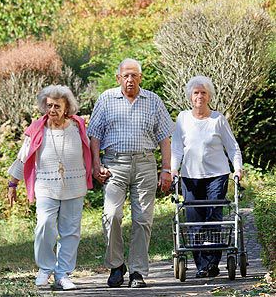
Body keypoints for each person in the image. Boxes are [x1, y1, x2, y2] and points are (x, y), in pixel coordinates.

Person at [87, 58, 174, 288]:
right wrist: (96, 164)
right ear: (118, 78)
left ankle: (137, 271)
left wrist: (166, 169)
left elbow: (165, 138)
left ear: (140, 78)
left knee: (142, 219)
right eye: (125, 75)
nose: (129, 79)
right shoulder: (106, 99)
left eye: (134, 75)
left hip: (145, 163)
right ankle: (116, 266)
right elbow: (94, 134)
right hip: (114, 164)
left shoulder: (153, 100)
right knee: (112, 215)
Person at [6, 85, 93, 290]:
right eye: (49, 105)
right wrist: (13, 183)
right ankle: (45, 268)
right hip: (46, 185)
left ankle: (62, 274)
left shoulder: (78, 126)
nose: (52, 110)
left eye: (57, 106)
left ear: (67, 107)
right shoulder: (37, 128)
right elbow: (23, 156)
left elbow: (90, 150)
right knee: (44, 225)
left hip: (74, 185)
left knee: (71, 231)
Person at [171, 75, 243, 278]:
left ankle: (212, 263)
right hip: (190, 176)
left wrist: (237, 168)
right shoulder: (183, 118)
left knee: (212, 218)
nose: (199, 96)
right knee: (194, 220)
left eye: (203, 92)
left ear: (209, 96)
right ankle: (201, 264)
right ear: (190, 96)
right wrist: (173, 169)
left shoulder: (217, 119)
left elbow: (232, 147)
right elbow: (176, 148)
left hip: (216, 175)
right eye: (196, 92)